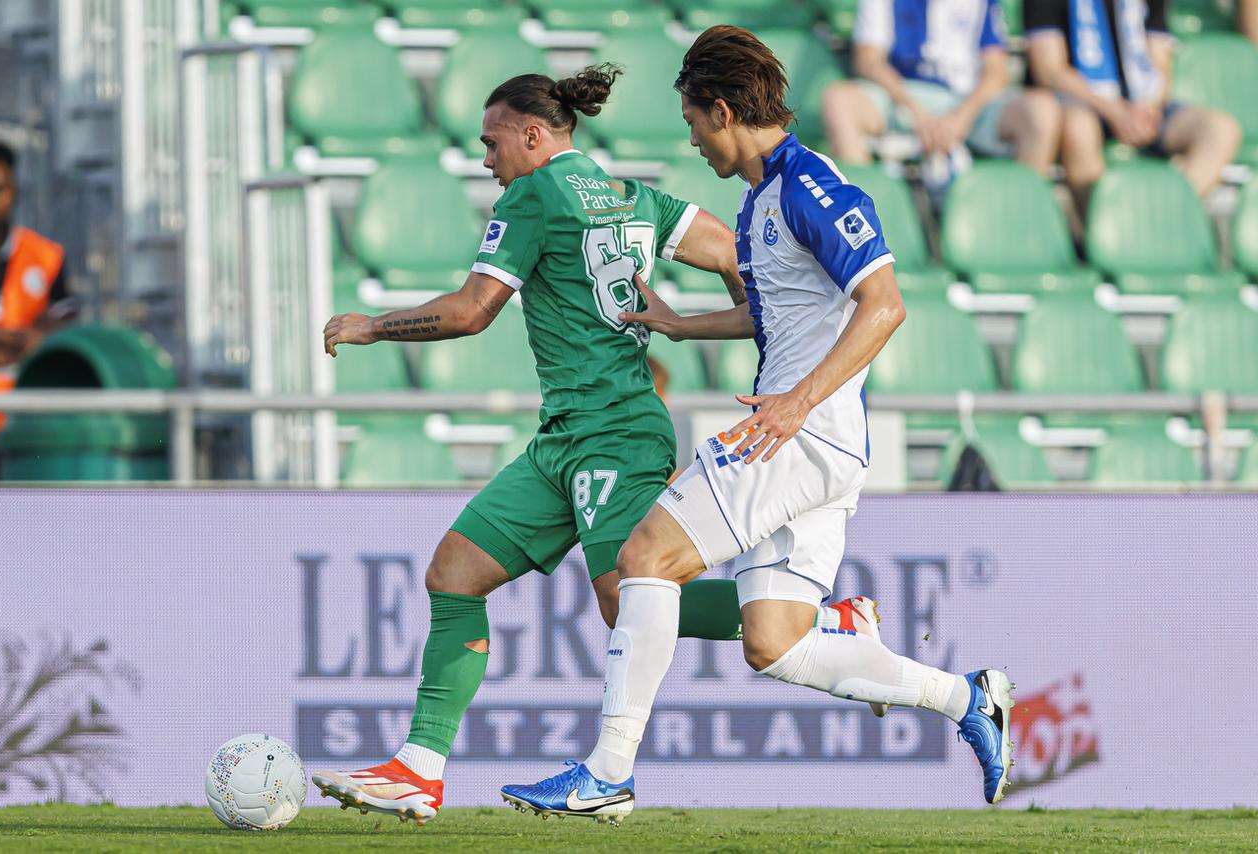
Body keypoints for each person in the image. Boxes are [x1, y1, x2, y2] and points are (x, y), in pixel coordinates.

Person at [312, 66, 876, 825]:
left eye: (493, 141)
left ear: (534, 135)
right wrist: (737, 322)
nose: (487, 160)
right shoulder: (634, 197)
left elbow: (476, 310)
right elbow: (742, 265)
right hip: (565, 439)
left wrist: (372, 324)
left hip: (612, 431)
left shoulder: (533, 194)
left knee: (627, 598)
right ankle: (419, 769)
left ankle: (828, 624)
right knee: (455, 572)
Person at [503, 26, 1015, 825]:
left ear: (723, 110)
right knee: (775, 643)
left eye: (695, 124)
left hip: (795, 435)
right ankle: (967, 699)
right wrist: (679, 326)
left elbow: (885, 305)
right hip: (814, 440)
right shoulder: (760, 202)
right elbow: (772, 313)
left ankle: (606, 774)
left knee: (644, 556)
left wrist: (798, 401)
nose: (693, 140)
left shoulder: (811, 186)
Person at [1025, 0, 1242, 208]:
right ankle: (1101, 226)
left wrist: (1148, 107)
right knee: (1078, 128)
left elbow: (1161, 62)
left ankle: (1167, 219)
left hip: (1141, 105)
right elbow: (1049, 71)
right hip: (1083, 102)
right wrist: (1114, 111)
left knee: (1220, 129)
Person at [822, 0, 1061, 179]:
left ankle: (1021, 224)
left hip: (967, 101)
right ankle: (860, 224)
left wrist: (962, 117)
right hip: (902, 95)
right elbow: (868, 61)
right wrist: (916, 112)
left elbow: (996, 71)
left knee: (1041, 110)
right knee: (838, 102)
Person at [0, 139, 75, 480]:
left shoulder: (46, 257)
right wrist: (32, 339)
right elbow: (43, 341)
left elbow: (66, 337)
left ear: (14, 189)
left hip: (30, 427)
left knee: (26, 527)